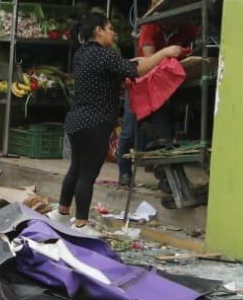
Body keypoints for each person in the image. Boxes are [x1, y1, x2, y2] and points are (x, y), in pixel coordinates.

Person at [60, 13, 182, 229]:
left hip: (75, 121)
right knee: (87, 174)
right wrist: (165, 52)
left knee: (76, 168)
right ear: (98, 31)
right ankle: (80, 224)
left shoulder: (81, 54)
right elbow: (135, 71)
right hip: (95, 122)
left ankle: (61, 213)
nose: (113, 33)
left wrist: (132, 62)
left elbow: (116, 69)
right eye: (110, 28)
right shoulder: (105, 54)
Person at [117, 0, 199, 184]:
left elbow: (196, 42)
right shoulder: (149, 27)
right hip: (142, 83)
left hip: (163, 86)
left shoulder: (185, 27)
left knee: (164, 134)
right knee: (129, 131)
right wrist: (169, 53)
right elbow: (149, 60)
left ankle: (166, 177)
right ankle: (124, 172)